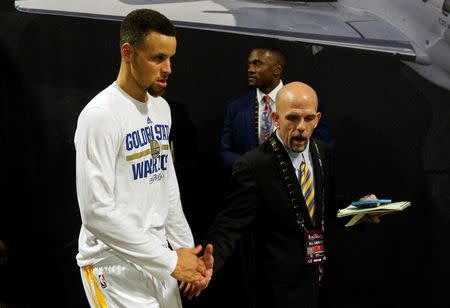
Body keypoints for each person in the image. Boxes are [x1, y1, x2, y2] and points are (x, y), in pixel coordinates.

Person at [184, 82, 378, 307]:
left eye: (308, 119)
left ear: (317, 119)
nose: (301, 127)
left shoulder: (322, 151)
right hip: (278, 293)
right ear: (276, 119)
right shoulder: (253, 165)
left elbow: (327, 206)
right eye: (292, 118)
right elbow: (229, 225)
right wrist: (209, 263)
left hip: (319, 283)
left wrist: (360, 210)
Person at [74, 9, 211, 308]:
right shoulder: (100, 115)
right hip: (112, 264)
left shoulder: (161, 109)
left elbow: (166, 186)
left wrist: (189, 256)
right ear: (128, 52)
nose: (168, 68)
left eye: (171, 58)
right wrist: (171, 261)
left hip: (157, 256)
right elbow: (96, 213)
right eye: (157, 58)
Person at [220, 47, 334, 171]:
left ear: (277, 69)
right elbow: (225, 151)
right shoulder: (236, 106)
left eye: (257, 64)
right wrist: (250, 166)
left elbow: (326, 147)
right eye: (249, 64)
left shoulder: (304, 100)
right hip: (250, 184)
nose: (250, 70)